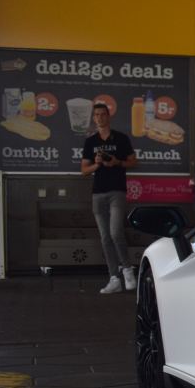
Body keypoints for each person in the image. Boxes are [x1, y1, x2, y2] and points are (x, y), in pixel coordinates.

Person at [80, 101, 138, 294]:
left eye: (103, 114)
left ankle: (128, 270)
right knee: (105, 238)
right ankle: (114, 277)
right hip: (98, 193)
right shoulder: (90, 141)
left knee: (115, 232)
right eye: (96, 115)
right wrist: (97, 164)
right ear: (93, 118)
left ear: (108, 116)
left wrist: (116, 162)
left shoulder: (121, 138)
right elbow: (84, 171)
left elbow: (133, 161)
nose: (100, 118)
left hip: (117, 191)